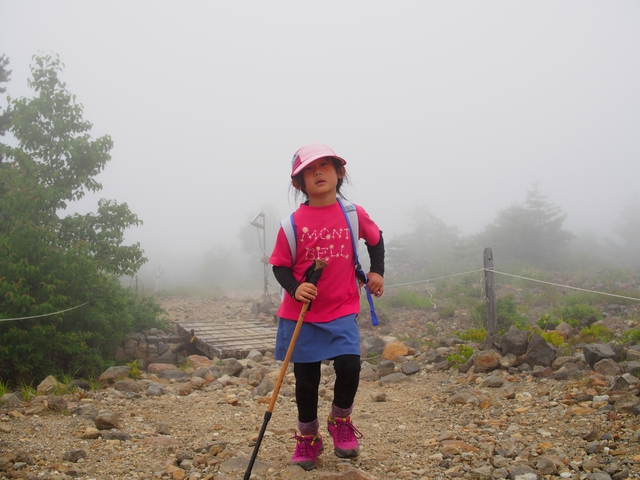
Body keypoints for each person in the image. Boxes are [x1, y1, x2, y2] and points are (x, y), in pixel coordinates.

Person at [269, 143, 385, 470]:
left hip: (342, 310)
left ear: (339, 172)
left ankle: (340, 421)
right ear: (298, 184)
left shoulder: (352, 214)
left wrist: (376, 272)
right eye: (309, 169)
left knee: (350, 367)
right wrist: (295, 287)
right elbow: (279, 265)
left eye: (324, 165)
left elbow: (376, 240)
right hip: (301, 316)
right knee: (307, 381)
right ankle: (308, 439)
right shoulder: (291, 224)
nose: (318, 172)